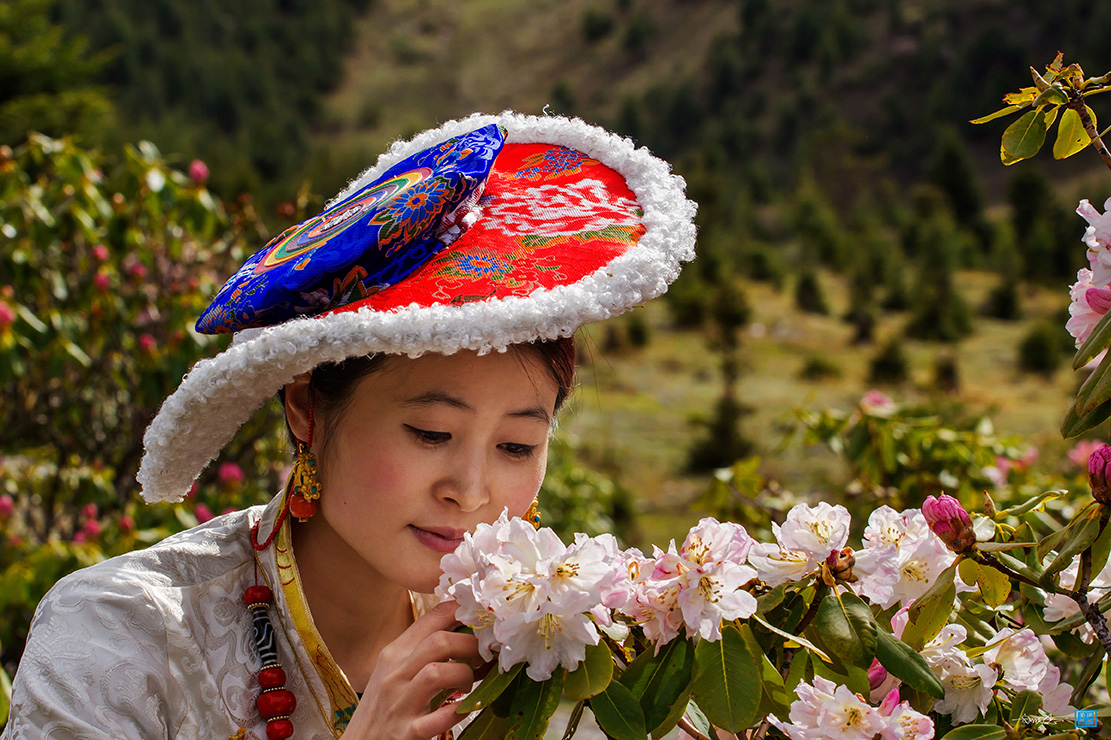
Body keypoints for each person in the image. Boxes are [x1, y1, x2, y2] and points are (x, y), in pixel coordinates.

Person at [2, 112, 696, 739]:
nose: (472, 490)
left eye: (517, 445)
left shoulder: (543, 639)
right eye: (430, 433)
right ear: (306, 408)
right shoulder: (120, 634)